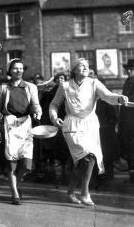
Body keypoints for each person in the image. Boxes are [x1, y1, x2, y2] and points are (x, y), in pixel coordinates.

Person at [49, 58, 128, 206]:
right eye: (81, 65)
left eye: (87, 65)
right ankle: (85, 193)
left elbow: (107, 96)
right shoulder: (65, 86)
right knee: (86, 154)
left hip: (90, 124)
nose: (85, 68)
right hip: (72, 124)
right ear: (73, 69)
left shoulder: (94, 83)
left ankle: (71, 191)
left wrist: (119, 98)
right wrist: (54, 118)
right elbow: (54, 104)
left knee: (86, 159)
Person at [0, 58, 42, 205]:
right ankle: (14, 192)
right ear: (10, 70)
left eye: (21, 68)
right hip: (10, 125)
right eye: (15, 68)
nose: (18, 71)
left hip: (26, 124)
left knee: (26, 163)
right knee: (12, 161)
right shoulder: (3, 88)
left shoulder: (30, 87)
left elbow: (35, 105)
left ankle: (16, 184)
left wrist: (37, 113)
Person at [38, 73, 70, 183]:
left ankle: (65, 173)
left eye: (63, 78)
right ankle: (51, 173)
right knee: (50, 151)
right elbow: (45, 109)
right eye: (58, 78)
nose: (61, 80)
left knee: (63, 151)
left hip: (64, 124)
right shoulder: (48, 94)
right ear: (55, 80)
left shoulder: (68, 93)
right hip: (51, 124)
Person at [118, 59, 134, 182]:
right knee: (129, 147)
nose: (129, 71)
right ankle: (131, 173)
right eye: (128, 69)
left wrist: (128, 104)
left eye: (132, 69)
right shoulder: (127, 82)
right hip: (126, 120)